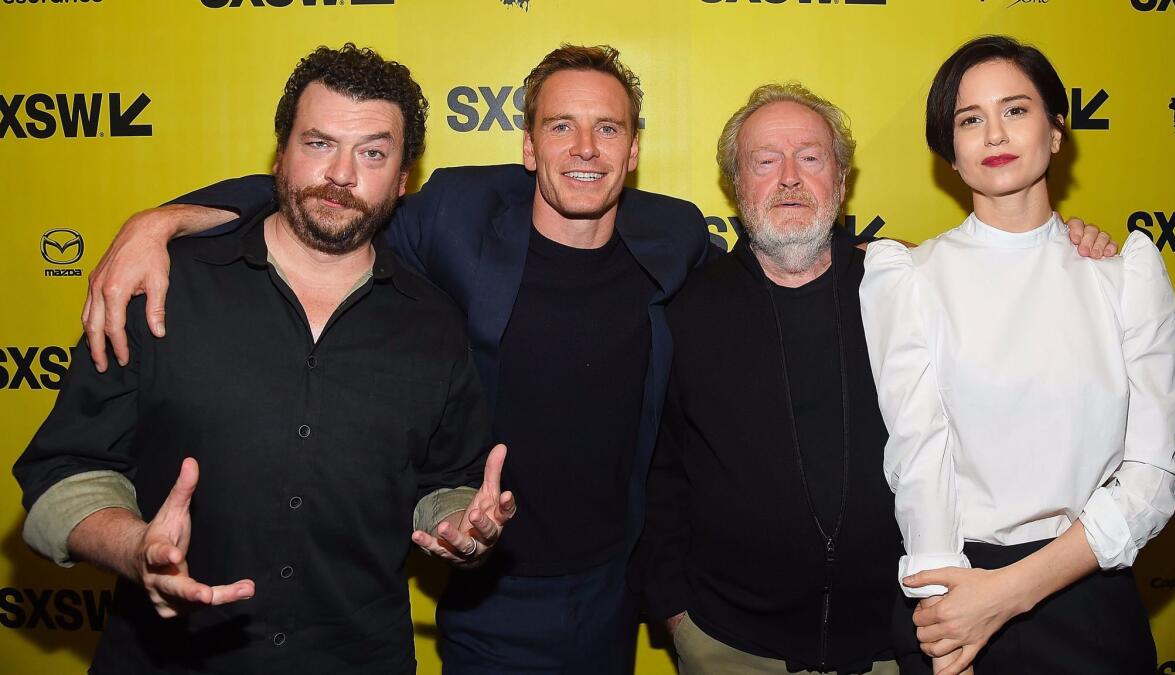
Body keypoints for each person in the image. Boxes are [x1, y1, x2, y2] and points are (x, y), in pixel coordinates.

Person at [73, 44, 712, 674]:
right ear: (527, 146)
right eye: (560, 125)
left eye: (608, 128)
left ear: (632, 152)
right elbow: (330, 197)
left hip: (609, 582)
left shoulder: (675, 234)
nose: (584, 148)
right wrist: (160, 221)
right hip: (489, 580)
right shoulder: (456, 215)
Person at [14, 44, 516, 675]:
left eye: (372, 152)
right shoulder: (161, 287)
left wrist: (458, 524)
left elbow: (444, 483)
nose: (341, 174)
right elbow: (64, 472)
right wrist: (135, 546)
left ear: (403, 178)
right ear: (280, 153)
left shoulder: (434, 323)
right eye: (318, 143)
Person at [859, 35, 1175, 675]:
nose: (993, 134)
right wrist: (949, 620)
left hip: (1089, 598)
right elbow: (919, 458)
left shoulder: (1125, 275)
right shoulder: (911, 278)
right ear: (950, 152)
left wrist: (1007, 594)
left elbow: (1152, 476)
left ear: (1056, 131)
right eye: (969, 119)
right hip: (954, 596)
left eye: (1015, 109)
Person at [639, 83, 902, 675]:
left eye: (810, 158)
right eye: (765, 161)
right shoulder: (685, 313)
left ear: (840, 179)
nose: (789, 178)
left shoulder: (906, 293)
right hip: (730, 647)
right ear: (737, 185)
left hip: (894, 644)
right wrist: (676, 615)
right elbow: (660, 471)